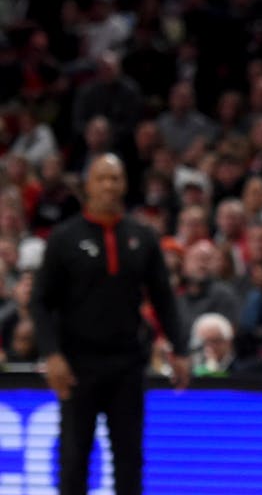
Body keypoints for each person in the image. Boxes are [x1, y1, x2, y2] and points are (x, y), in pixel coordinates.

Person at [31, 154, 190, 495]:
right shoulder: (64, 237)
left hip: (127, 362)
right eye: (101, 178)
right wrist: (52, 354)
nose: (108, 185)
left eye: (115, 178)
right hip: (77, 364)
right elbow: (40, 302)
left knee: (129, 460)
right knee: (74, 460)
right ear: (88, 184)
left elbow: (163, 297)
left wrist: (180, 348)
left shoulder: (143, 237)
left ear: (125, 184)